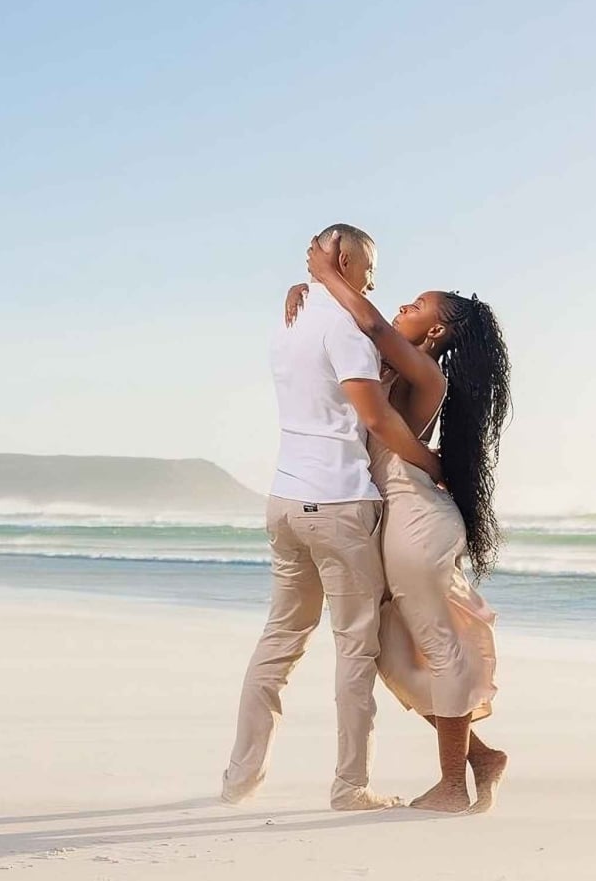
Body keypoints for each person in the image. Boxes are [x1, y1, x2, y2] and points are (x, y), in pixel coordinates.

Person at [283, 239, 511, 813]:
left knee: (437, 646)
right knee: (388, 649)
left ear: (434, 336)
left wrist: (328, 276)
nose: (402, 309)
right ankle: (479, 755)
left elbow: (375, 329)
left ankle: (454, 787)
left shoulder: (428, 375)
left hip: (417, 523)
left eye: (416, 306)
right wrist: (307, 296)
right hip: (390, 522)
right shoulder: (380, 361)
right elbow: (350, 336)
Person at [222, 224, 443, 812]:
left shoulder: (289, 318)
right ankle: (351, 788)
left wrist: (308, 283)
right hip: (340, 502)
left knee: (279, 640)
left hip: (284, 501)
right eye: (368, 265)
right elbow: (375, 419)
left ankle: (239, 777)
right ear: (343, 258)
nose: (374, 278)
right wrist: (436, 465)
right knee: (354, 649)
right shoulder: (346, 327)